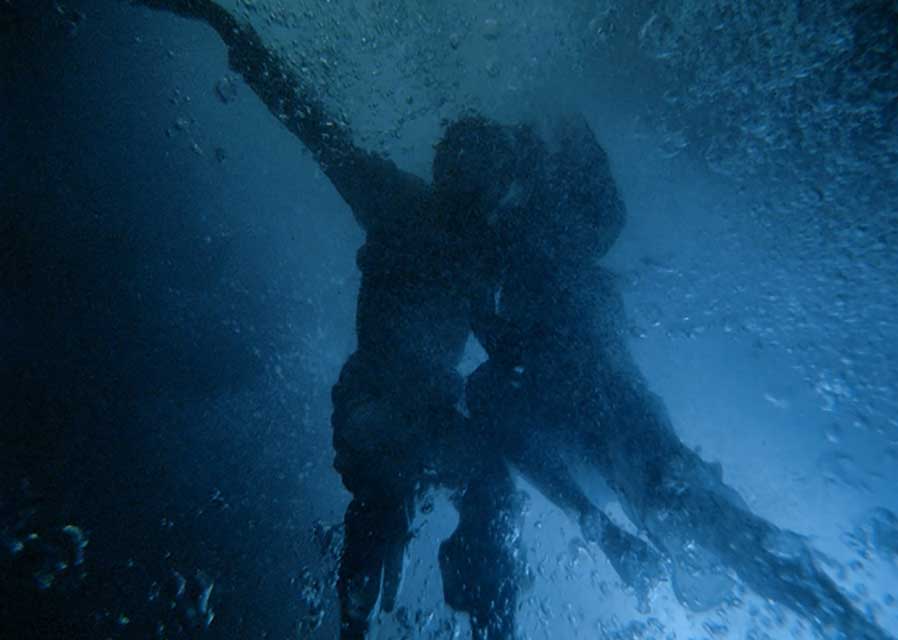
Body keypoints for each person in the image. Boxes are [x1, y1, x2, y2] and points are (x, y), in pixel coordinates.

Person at [134, 2, 653, 638]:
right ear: (453, 172)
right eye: (468, 163)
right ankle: (397, 616)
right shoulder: (404, 204)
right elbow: (308, 120)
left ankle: (475, 618)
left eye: (485, 168)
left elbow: (587, 242)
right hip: (382, 395)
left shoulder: (480, 243)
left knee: (482, 489)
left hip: (415, 401)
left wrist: (558, 123)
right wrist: (229, 29)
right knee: (409, 498)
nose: (477, 181)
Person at [467, 116, 896, 639]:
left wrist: (575, 139)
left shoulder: (537, 239)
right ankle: (840, 616)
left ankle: (841, 617)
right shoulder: (513, 244)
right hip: (580, 414)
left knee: (679, 503)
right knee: (671, 498)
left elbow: (593, 220)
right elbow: (500, 356)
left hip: (600, 410)